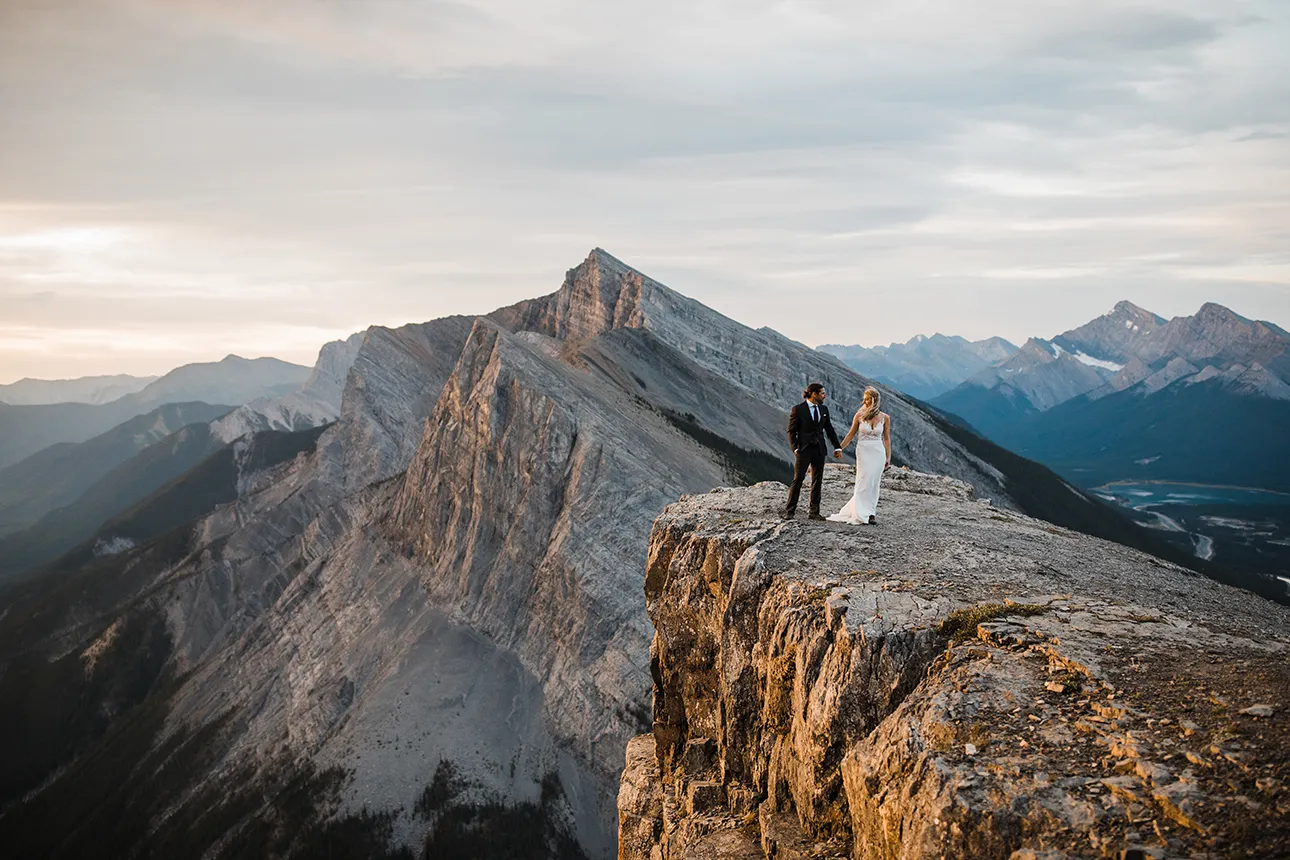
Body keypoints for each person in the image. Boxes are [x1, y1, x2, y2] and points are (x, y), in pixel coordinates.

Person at [828, 386, 892, 525]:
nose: (865, 402)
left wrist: (888, 456)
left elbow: (886, 438)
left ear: (875, 400)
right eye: (864, 399)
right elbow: (851, 434)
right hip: (863, 451)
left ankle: (871, 513)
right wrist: (839, 448)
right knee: (863, 480)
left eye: (868, 399)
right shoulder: (859, 415)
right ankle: (859, 511)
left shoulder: (885, 418)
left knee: (874, 482)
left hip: (878, 452)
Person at [783, 382, 843, 520]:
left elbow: (829, 429)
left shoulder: (824, 409)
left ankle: (814, 512)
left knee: (817, 481)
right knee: (798, 479)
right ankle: (789, 511)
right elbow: (791, 431)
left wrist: (837, 446)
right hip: (803, 450)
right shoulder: (798, 409)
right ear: (814, 394)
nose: (825, 395)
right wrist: (795, 448)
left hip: (819, 450)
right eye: (822, 393)